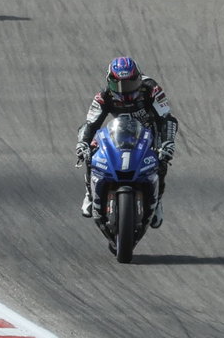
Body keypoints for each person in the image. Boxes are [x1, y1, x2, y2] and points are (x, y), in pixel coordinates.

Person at [75, 57, 179, 226]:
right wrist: (82, 143)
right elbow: (90, 124)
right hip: (120, 130)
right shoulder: (103, 96)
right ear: (110, 83)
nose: (124, 92)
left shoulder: (152, 89)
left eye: (129, 85)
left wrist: (168, 142)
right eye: (118, 86)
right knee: (91, 151)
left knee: (161, 160)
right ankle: (89, 194)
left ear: (138, 79)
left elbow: (167, 118)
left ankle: (157, 201)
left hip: (149, 131)